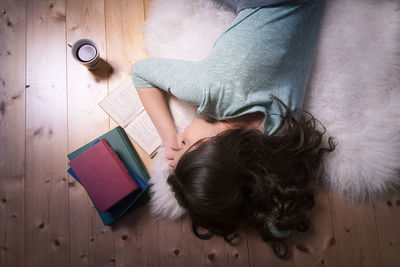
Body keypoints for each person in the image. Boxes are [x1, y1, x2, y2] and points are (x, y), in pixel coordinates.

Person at [131, 0, 335, 259]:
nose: (180, 138)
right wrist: (168, 137)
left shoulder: (280, 136)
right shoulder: (212, 88)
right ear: (216, 144)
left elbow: (278, 227)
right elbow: (140, 73)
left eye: (178, 141)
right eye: (185, 143)